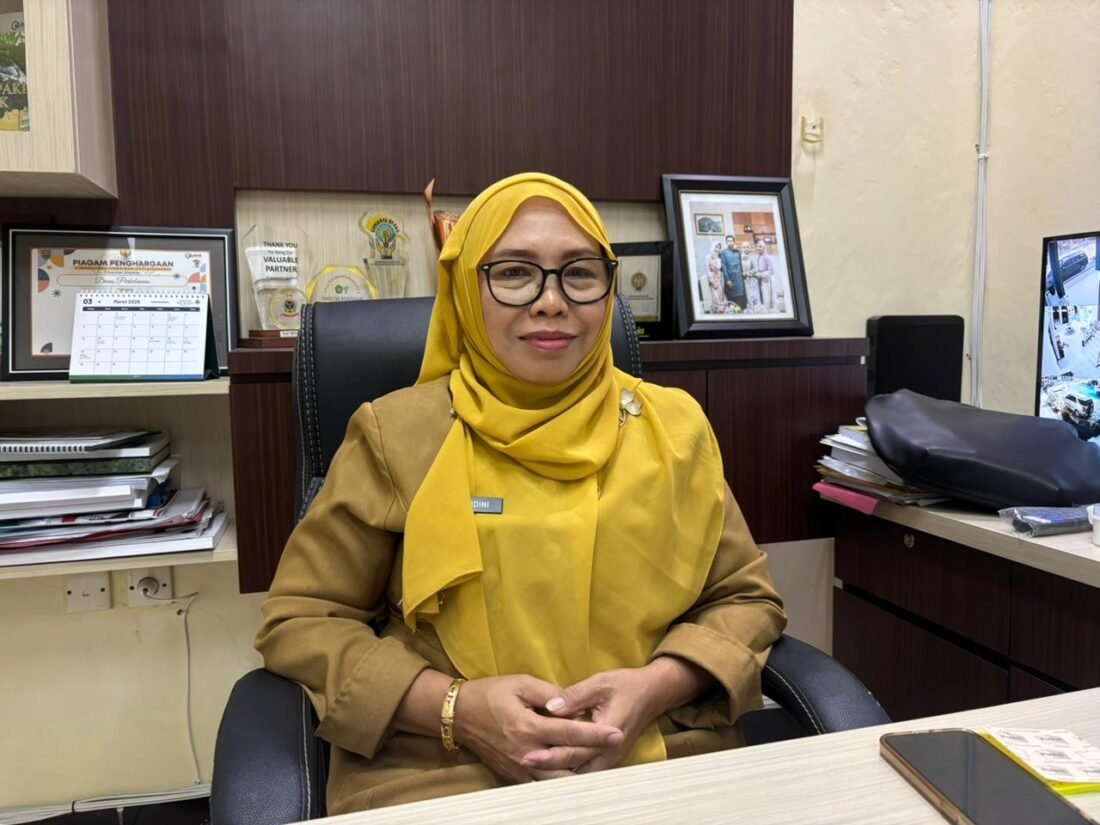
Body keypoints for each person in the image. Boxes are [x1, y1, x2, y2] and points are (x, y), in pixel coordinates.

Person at [255, 172, 787, 814]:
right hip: (448, 769)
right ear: (466, 289)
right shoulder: (397, 434)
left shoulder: (674, 426)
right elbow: (303, 622)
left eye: (579, 273)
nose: (551, 301)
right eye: (513, 273)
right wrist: (458, 710)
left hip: (661, 752)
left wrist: (656, 686)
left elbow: (745, 599)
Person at [720, 235, 747, 310]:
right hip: (730, 278)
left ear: (734, 242)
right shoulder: (723, 253)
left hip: (739, 279)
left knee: (741, 299)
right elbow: (724, 267)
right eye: (728, 241)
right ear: (726, 242)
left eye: (731, 241)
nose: (730, 242)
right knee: (733, 302)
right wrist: (727, 280)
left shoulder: (737, 252)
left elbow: (741, 264)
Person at [705, 241, 727, 313]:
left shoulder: (719, 258)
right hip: (713, 279)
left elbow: (720, 269)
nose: (717, 249)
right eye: (716, 247)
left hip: (719, 278)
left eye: (719, 248)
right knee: (715, 295)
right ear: (713, 247)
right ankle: (717, 310)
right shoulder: (708, 257)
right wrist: (711, 280)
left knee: (721, 294)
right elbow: (707, 269)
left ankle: (723, 310)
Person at [754, 240, 776, 311]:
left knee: (767, 297)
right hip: (759, 279)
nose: (758, 248)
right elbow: (758, 268)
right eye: (757, 246)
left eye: (760, 246)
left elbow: (771, 270)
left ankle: (768, 310)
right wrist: (756, 272)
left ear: (764, 248)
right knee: (761, 297)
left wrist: (762, 274)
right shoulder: (758, 257)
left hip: (766, 280)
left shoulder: (767, 257)